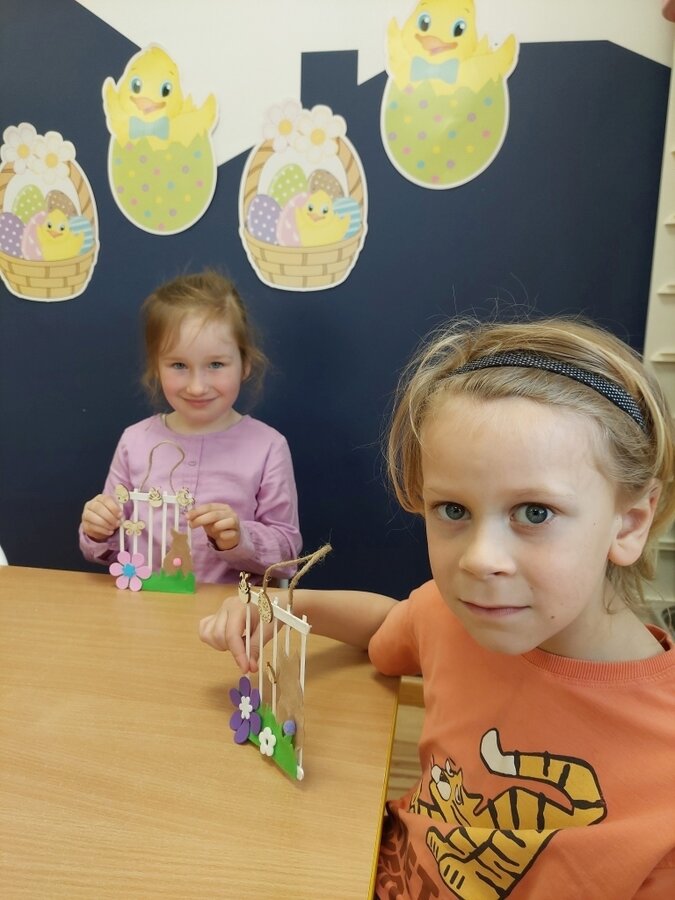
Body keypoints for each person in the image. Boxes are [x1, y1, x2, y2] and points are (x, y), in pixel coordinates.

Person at [199, 316, 675, 898]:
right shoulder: (454, 619)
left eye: (535, 513)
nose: (480, 559)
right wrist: (280, 605)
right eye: (453, 510)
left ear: (629, 523)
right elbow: (388, 626)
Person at [80, 270, 302, 583]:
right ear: (157, 368)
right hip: (146, 606)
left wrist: (239, 538)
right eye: (179, 365)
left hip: (233, 610)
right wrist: (98, 530)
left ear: (245, 364)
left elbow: (287, 556)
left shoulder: (268, 447)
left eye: (216, 364)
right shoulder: (135, 441)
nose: (197, 387)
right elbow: (109, 548)